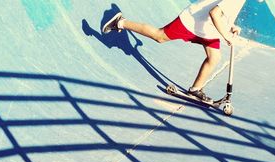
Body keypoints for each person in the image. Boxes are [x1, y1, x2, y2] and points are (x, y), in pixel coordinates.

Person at [102, 0, 246, 102]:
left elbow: (221, 10)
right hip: (192, 22)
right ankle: (120, 22)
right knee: (160, 36)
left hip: (207, 29)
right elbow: (214, 13)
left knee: (214, 57)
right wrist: (227, 36)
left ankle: (195, 89)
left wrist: (230, 25)